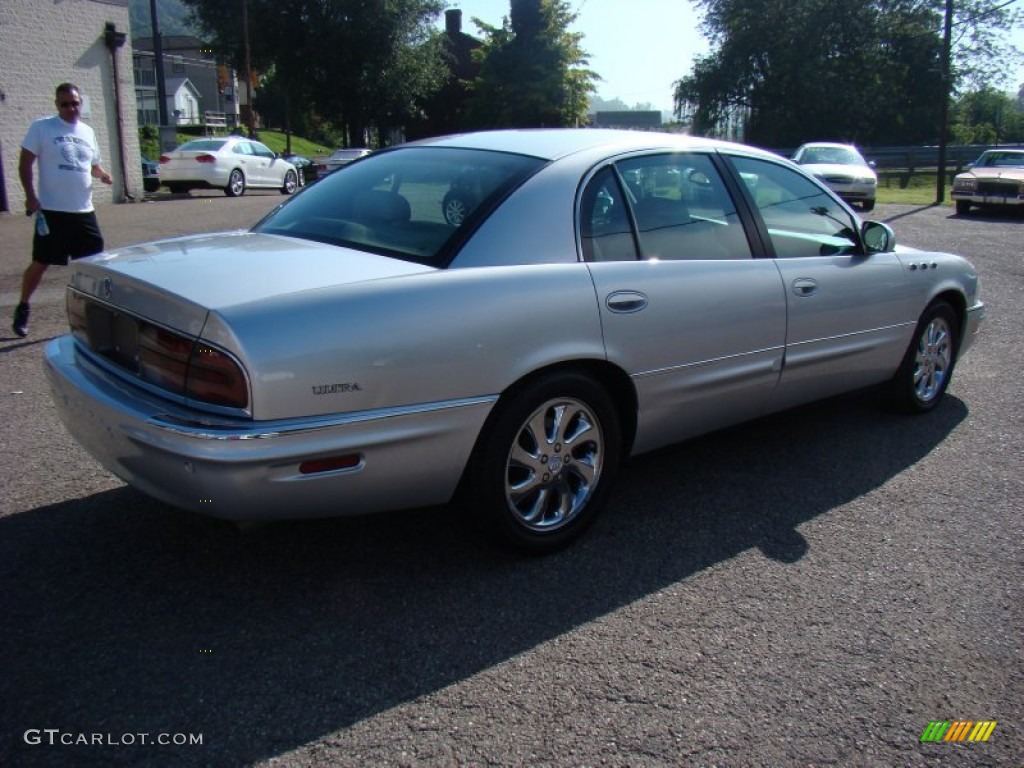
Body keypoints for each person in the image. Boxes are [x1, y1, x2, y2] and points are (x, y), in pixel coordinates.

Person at [11, 83, 113, 337]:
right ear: (57, 105)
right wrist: (30, 197)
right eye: (65, 104)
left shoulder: (88, 132)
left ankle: (91, 315)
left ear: (80, 103)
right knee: (41, 261)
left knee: (92, 265)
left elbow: (93, 165)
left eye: (75, 103)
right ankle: (23, 307)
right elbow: (25, 163)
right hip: (53, 211)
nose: (71, 108)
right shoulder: (42, 128)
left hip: (84, 212)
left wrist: (102, 174)